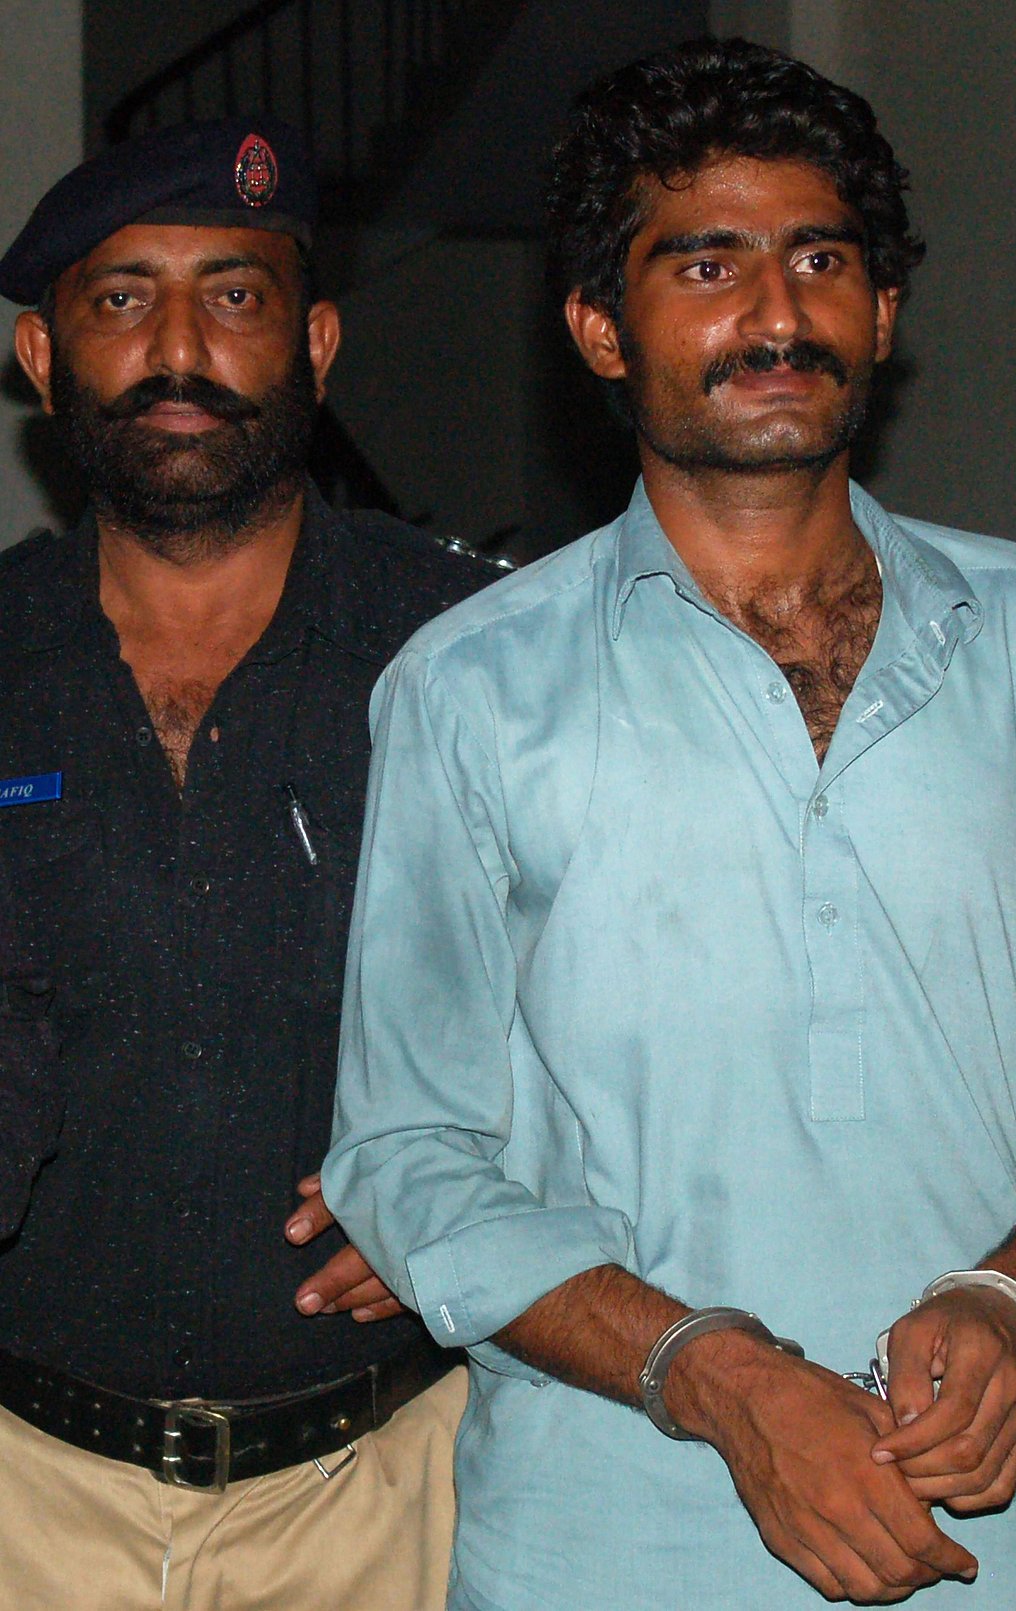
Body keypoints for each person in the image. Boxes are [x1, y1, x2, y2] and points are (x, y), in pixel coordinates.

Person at [323, 36, 1016, 1611]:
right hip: (622, 1536)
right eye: (706, 265)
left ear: (883, 307)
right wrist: (719, 1376)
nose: (776, 315)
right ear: (600, 324)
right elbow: (407, 1155)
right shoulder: (471, 690)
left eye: (819, 260)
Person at [0, 115, 496, 1609]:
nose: (177, 347)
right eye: (119, 298)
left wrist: (486, 1183)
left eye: (233, 296)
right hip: (24, 1493)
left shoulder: (471, 658)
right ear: (41, 358)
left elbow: (631, 1003)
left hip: (382, 1493)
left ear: (317, 340)